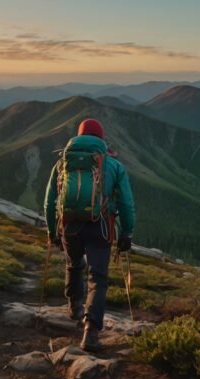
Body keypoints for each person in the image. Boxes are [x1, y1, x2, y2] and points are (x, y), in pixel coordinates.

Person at [44, 118, 136, 352]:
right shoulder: (113, 165)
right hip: (100, 226)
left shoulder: (62, 163)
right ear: (101, 139)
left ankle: (74, 306)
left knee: (74, 263)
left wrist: (52, 231)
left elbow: (49, 201)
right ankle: (91, 332)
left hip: (69, 226)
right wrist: (127, 232)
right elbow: (126, 203)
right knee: (98, 276)